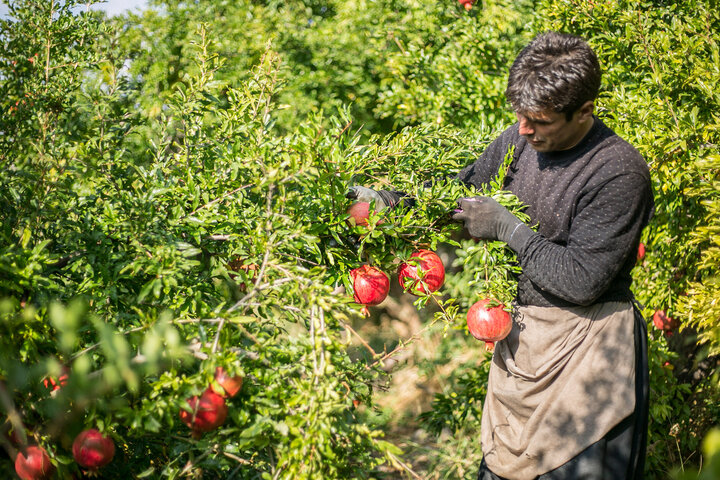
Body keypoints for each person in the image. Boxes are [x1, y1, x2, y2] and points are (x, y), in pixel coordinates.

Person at [347, 31, 653, 479]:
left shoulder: (618, 172)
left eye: (540, 121)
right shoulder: (520, 140)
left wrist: (508, 229)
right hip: (525, 345)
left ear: (584, 110)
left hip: (588, 354)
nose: (525, 130)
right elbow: (458, 196)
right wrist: (388, 202)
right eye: (520, 116)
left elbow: (582, 280)